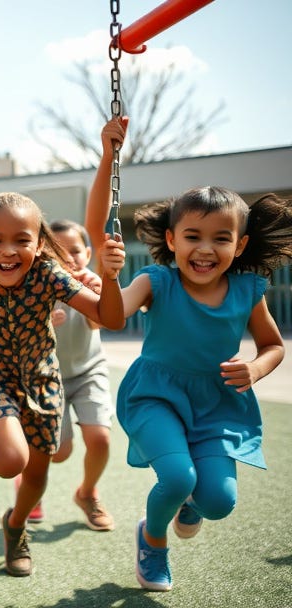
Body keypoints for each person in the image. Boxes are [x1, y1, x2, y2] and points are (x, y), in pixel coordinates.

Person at [86, 117, 291, 592]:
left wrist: (256, 368)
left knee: (218, 501)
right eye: (193, 236)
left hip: (218, 401)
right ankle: (153, 540)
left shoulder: (248, 290)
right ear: (172, 240)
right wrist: (110, 275)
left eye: (221, 238)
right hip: (156, 394)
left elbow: (274, 346)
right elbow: (113, 320)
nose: (205, 248)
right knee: (177, 476)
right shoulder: (156, 281)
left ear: (239, 246)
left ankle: (188, 505)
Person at [0, 192, 126, 577]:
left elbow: (109, 317)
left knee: (36, 477)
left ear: (40, 244)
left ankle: (15, 527)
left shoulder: (49, 274)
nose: (8, 251)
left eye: (22, 240)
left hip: (42, 384)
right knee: (13, 459)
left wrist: (109, 278)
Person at [26, 219, 115, 532]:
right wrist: (43, 320)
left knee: (100, 438)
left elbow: (98, 325)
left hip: (88, 371)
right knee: (58, 451)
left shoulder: (91, 283)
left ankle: (87, 493)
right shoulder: (37, 287)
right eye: (58, 253)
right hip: (48, 377)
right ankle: (30, 485)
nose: (69, 258)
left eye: (75, 251)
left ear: (87, 253)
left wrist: (95, 299)